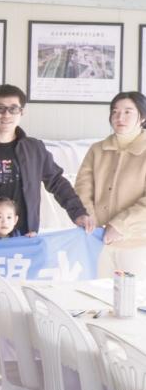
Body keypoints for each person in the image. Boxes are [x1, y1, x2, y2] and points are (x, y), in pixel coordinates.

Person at [0, 84, 93, 244]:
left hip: (25, 238)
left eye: (13, 109)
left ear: (22, 112)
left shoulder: (34, 149)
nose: (6, 114)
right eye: (0, 108)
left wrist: (78, 213)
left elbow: (57, 182)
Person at [74, 91, 146, 277]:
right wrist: (90, 220)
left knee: (133, 293)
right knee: (96, 292)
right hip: (97, 240)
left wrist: (120, 225)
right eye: (115, 111)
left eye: (128, 112)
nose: (119, 117)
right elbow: (83, 188)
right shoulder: (97, 150)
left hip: (137, 242)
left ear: (142, 117)